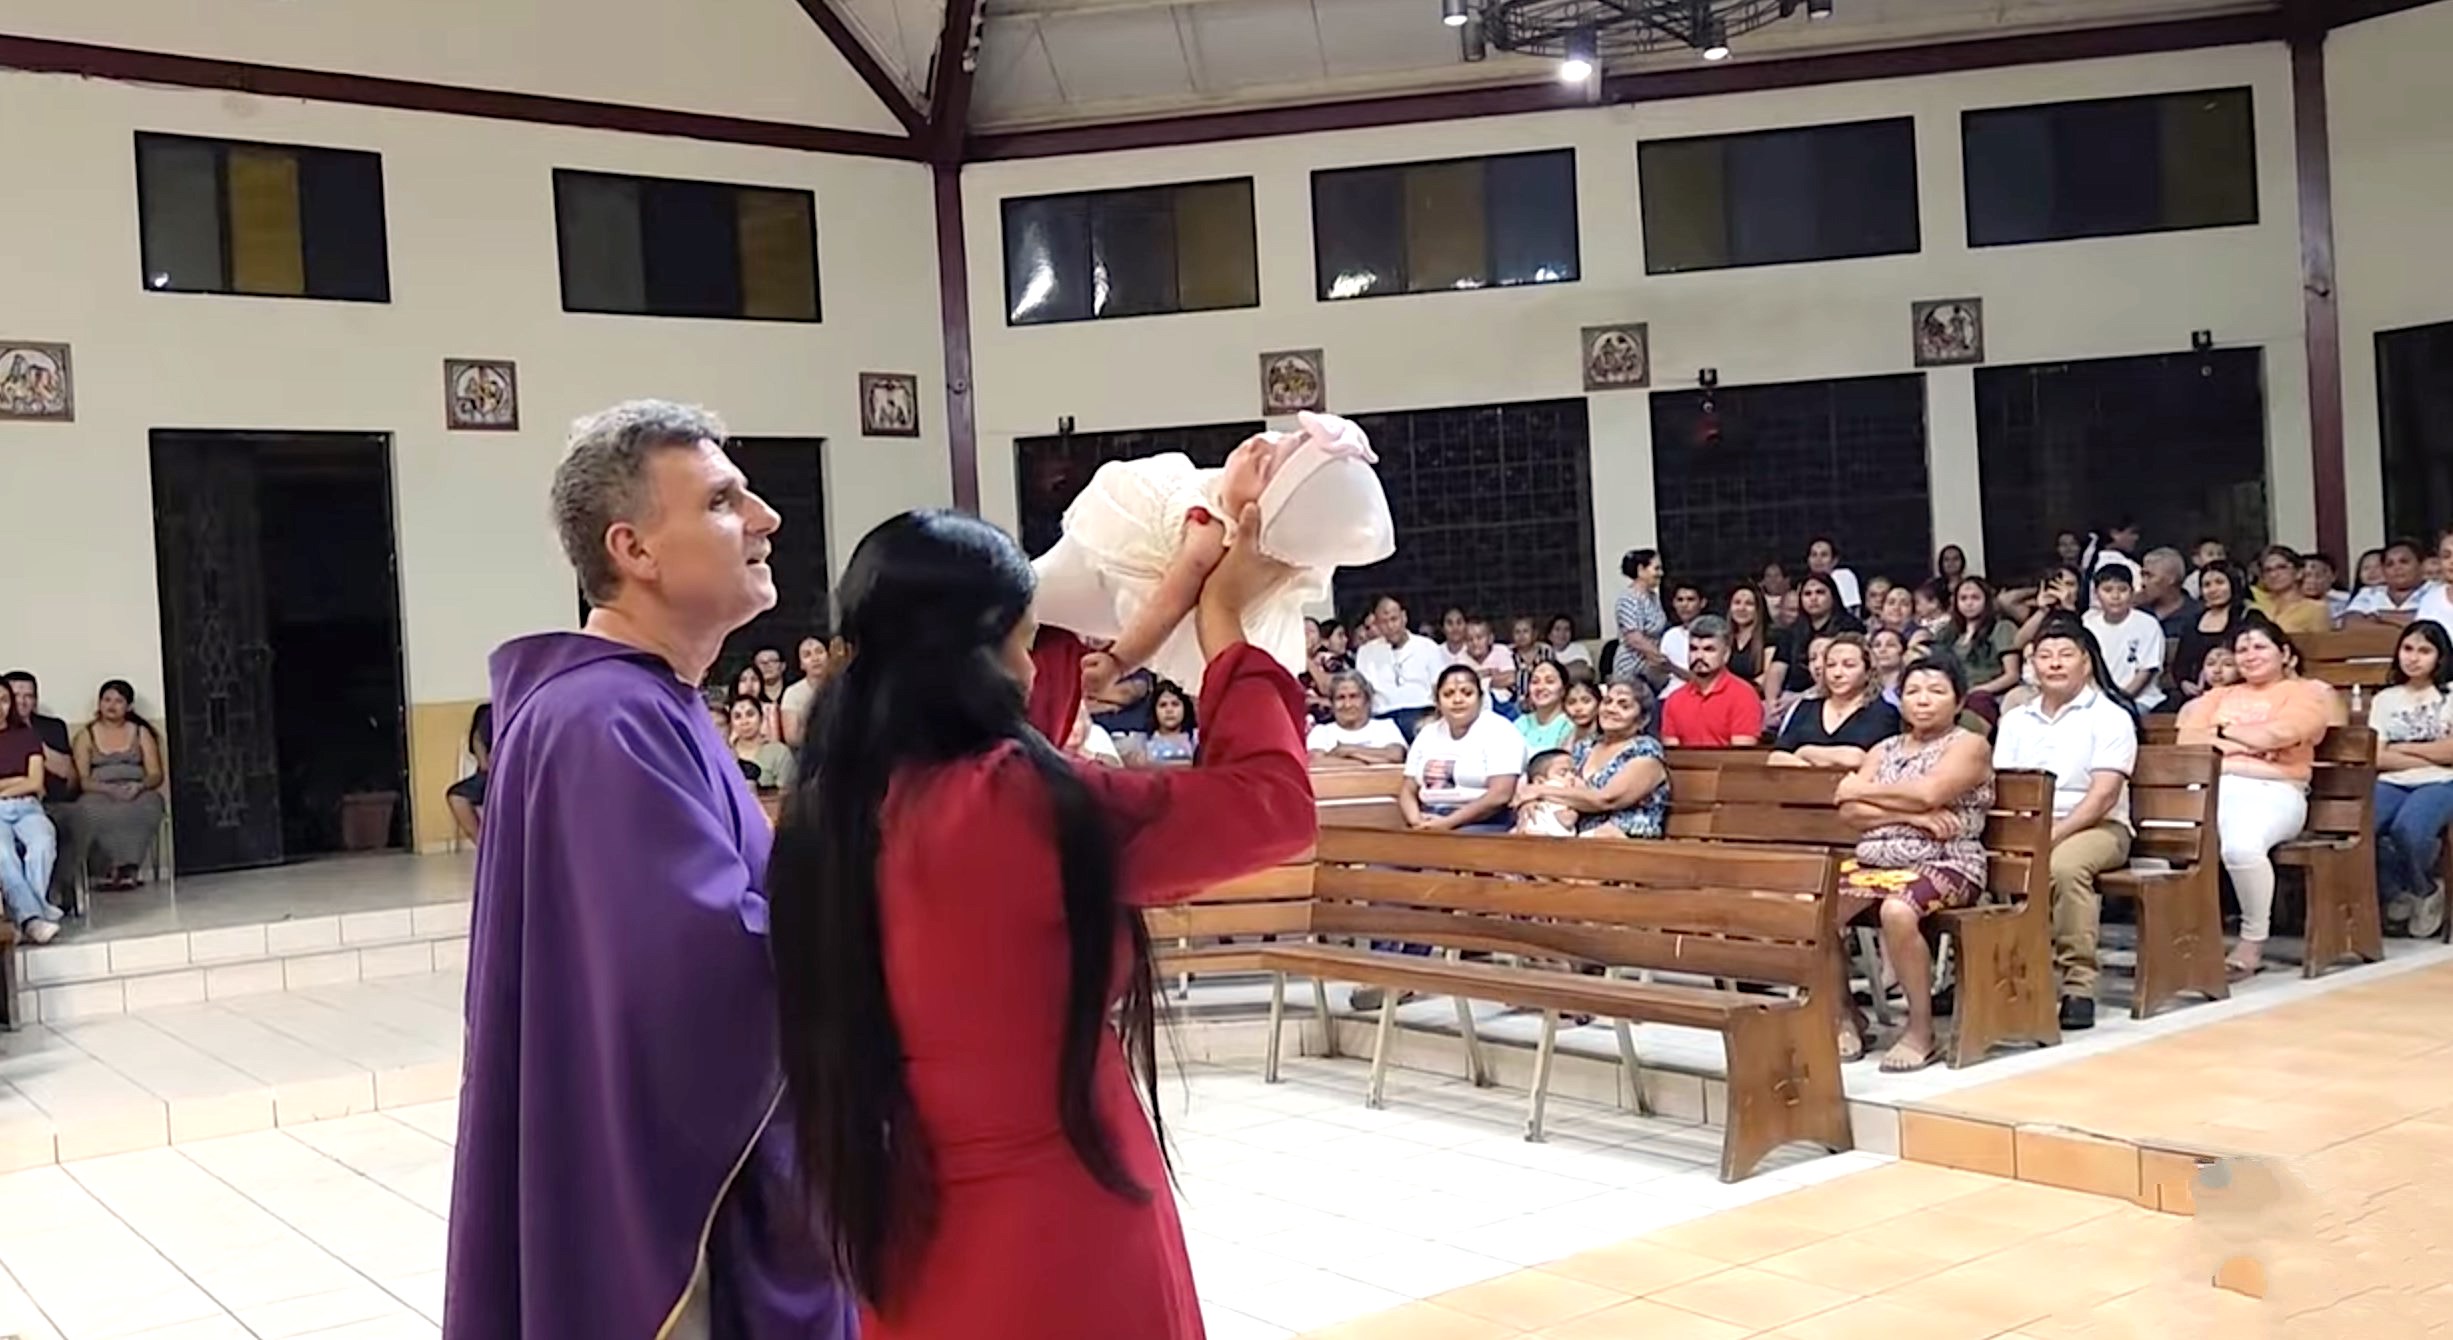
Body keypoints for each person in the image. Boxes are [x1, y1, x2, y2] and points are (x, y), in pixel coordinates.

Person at [769, 506, 1313, 1340]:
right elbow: (1269, 805)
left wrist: (1163, 599)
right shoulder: (1013, 802)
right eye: (1020, 645)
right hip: (1064, 1214)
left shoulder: (829, 809)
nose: (1034, 670)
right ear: (974, 658)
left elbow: (1026, 716)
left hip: (908, 1216)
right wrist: (1225, 624)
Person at [445, 400, 856, 1338]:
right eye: (721, 501)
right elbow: (698, 983)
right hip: (681, 1228)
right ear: (633, 550)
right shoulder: (605, 721)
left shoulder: (644, 705)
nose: (765, 519)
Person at [1033, 410, 1392, 698]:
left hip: (1124, 572)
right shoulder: (1221, 493)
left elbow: (1168, 603)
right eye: (1280, 438)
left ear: (1261, 518)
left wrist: (1118, 661)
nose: (1258, 444)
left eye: (1264, 466)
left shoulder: (1211, 534)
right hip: (1122, 548)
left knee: (1033, 595)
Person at [1830, 655, 1993, 1071]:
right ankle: (1846, 1016)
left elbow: (1929, 792)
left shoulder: (1968, 745)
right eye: (1913, 691)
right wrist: (1915, 817)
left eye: (1936, 691)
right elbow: (1848, 810)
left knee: (1898, 911)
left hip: (1949, 861)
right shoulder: (1883, 748)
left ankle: (1921, 1029)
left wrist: (1863, 790)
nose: (1923, 700)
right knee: (1815, 905)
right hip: (1874, 862)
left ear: (1958, 701)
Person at [1992, 617, 2140, 1029]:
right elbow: (2005, 787)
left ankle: (2078, 984)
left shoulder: (2110, 716)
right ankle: (1987, 974)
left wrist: (2051, 836)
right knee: (1975, 862)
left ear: (2086, 663)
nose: (2054, 664)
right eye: (2045, 656)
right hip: (2029, 825)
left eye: (2065, 655)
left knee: (2064, 867)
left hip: (2098, 827)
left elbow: (2103, 796)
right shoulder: (2016, 720)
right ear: (2032, 665)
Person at [2174, 615, 2334, 979]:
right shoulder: (2219, 695)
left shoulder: (2304, 694)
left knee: (2241, 848)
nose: (2249, 655)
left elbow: (2281, 734)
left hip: (2275, 789)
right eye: (2242, 649)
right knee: (2158, 839)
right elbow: (2188, 739)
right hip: (2215, 786)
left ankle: (2251, 941)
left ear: (2285, 654)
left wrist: (2223, 734)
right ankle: (2178, 937)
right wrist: (2252, 743)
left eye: (2260, 646)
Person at [2368, 621, 2453, 938]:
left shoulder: (2450, 695)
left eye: (2424, 651)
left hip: (2441, 781)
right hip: (2391, 780)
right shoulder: (2385, 699)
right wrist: (2432, 751)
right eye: (2407, 649)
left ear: (2440, 657)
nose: (2413, 658)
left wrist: (2401, 747)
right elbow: (2377, 756)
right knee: (2360, 832)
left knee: (2408, 830)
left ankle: (2425, 889)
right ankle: (2398, 892)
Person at [60, 680, 167, 891]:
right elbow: (83, 780)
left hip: (137, 791)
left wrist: (139, 786)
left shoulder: (141, 733)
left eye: (118, 701)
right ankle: (108, 869)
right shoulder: (86, 735)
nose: (111, 705)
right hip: (98, 792)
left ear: (129, 707)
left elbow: (156, 774)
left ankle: (129, 868)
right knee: (90, 811)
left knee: (146, 808)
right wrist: (109, 789)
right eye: (107, 700)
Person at [1399, 665, 1527, 834]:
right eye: (1448, 694)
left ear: (1480, 698)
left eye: (1467, 693)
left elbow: (1500, 795)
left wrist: (1447, 823)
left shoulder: (1500, 730)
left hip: (1484, 821)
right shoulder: (1427, 733)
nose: (1458, 700)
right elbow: (1408, 790)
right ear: (1437, 701)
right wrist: (1417, 821)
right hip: (1428, 817)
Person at [1537, 681, 1668, 838]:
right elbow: (1560, 785)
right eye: (1607, 702)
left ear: (1642, 719)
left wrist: (1538, 791)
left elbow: (1607, 799)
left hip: (1625, 840)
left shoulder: (1645, 750)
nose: (1611, 709)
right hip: (1576, 836)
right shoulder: (1584, 748)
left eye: (1624, 706)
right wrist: (1531, 803)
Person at [1771, 633, 1899, 769]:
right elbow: (1776, 757)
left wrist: (1805, 752)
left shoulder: (1884, 713)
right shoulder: (1805, 708)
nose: (1837, 673)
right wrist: (1811, 771)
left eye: (1849, 665)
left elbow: (1861, 759)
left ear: (1868, 672)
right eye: (1831, 665)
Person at [0, 690, 63, 944]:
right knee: (3, 854)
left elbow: (35, 782)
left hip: (28, 806)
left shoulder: (26, 735)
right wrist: (18, 779)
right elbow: (26, 779)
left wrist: (9, 784)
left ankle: (24, 919)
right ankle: (35, 919)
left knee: (43, 843)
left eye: (4, 700)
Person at [1659, 616, 1762, 748]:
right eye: (1693, 649)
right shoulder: (1674, 700)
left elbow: (1741, 756)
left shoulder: (1744, 696)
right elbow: (1673, 755)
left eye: (1709, 649)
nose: (1699, 656)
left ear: (1726, 654)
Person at [1353, 594, 1445, 738]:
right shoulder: (1366, 652)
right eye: (1384, 622)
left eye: (1394, 619)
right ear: (1376, 623)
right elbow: (1364, 692)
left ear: (1404, 617)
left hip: (1421, 714)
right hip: (1383, 717)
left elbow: (1439, 687)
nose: (1390, 626)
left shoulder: (1428, 647)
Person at [2082, 565, 2167, 714]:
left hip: (2139, 700)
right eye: (2107, 590)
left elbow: (2146, 671)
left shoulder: (2147, 624)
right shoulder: (2088, 624)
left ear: (2132, 592)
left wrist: (2119, 700)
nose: (2115, 596)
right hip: (2096, 700)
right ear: (2096, 594)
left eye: (2122, 590)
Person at [2173, 561, 2250, 709]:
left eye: (2220, 582)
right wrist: (2184, 683)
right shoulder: (2193, 621)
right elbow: (2181, 664)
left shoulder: (2247, 617)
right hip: (2197, 695)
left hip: (2239, 694)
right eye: (2207, 585)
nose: (2213, 589)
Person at [1307, 671, 1407, 766]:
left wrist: (1347, 751)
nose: (1347, 705)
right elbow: (1316, 762)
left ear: (1367, 700)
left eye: (1353, 696)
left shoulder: (1385, 727)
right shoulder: (1321, 732)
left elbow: (1396, 756)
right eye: (1340, 698)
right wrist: (1366, 763)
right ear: (1332, 703)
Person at [1611, 548, 1669, 689]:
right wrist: (1663, 660)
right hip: (1632, 671)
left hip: (1652, 670)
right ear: (1641, 570)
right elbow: (1635, 639)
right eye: (1656, 568)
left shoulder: (1653, 597)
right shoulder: (1629, 599)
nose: (1661, 573)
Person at [2250, 545, 2332, 636]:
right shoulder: (2257, 605)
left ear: (2299, 572)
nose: (2274, 575)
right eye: (2268, 570)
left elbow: (2323, 642)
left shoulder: (2315, 609)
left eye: (2282, 567)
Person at [2347, 539, 2435, 624]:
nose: (2397, 568)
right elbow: (2350, 622)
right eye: (2390, 564)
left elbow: (2432, 623)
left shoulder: (2436, 591)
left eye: (2404, 562)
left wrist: (2377, 617)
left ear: (2421, 565)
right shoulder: (2369, 593)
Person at [445, 703, 492, 845]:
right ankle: (484, 846)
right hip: (492, 775)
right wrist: (485, 763)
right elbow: (477, 739)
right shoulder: (489, 713)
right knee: (457, 797)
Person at [729, 695, 796, 789]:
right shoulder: (725, 755)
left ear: (761, 717)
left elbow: (787, 792)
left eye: (750, 714)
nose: (744, 722)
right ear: (731, 723)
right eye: (737, 717)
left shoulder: (779, 753)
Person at [1513, 750, 1582, 837]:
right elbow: (1567, 821)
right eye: (1562, 774)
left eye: (1574, 773)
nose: (1571, 777)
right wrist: (1575, 808)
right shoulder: (1556, 793)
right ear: (1539, 781)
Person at [779, 635, 832, 749]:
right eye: (807, 655)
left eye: (819, 652)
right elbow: (792, 738)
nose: (815, 658)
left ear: (829, 656)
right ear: (801, 664)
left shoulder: (843, 686)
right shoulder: (792, 693)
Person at [1513, 660, 1577, 754]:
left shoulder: (1569, 726)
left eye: (1549, 681)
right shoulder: (1521, 723)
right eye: (1535, 682)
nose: (1540, 687)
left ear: (1563, 690)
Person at [1655, 582, 1706, 697]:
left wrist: (1672, 667)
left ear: (1702, 603)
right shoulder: (1670, 635)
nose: (1684, 605)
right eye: (1680, 600)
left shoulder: (1710, 635)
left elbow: (1704, 680)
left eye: (1690, 599)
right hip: (1669, 695)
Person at [1136, 681, 1199, 766]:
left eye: (1175, 704)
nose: (1169, 710)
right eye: (1163, 705)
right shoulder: (1142, 742)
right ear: (1154, 711)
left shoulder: (1197, 739)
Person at [1463, 617, 1518, 713]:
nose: (1475, 643)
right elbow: (1464, 686)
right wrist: (1490, 674)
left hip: (1504, 705)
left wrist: (1480, 679)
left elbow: (1510, 679)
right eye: (1469, 639)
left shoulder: (1501, 651)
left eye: (1479, 638)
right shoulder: (1461, 659)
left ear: (1490, 639)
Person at [1804, 537, 1863, 613]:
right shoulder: (1804, 583)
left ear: (1834, 560)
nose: (1818, 559)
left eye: (1824, 555)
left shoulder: (1844, 576)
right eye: (1814, 555)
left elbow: (1852, 610)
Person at [2300, 551, 2351, 626]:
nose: (2312, 581)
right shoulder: (2288, 604)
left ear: (2333, 576)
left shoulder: (2349, 602)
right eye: (2306, 576)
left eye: (2319, 575)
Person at [1560, 676, 1602, 749]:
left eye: (1586, 701)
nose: (1578, 708)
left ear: (1599, 703)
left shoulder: (1606, 741)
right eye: (1571, 702)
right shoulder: (1563, 741)